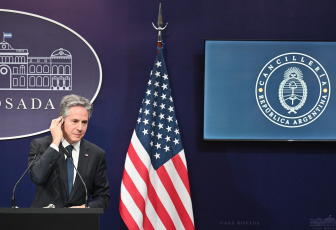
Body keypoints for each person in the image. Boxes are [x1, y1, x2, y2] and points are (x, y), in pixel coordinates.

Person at [28, 94, 110, 209]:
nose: (80, 128)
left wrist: (86, 209)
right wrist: (55, 142)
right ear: (61, 120)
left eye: (84, 122)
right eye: (75, 121)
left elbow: (103, 197)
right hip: (44, 222)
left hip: (78, 223)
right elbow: (38, 177)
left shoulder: (96, 154)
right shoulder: (42, 145)